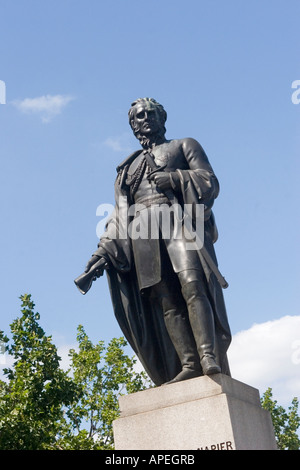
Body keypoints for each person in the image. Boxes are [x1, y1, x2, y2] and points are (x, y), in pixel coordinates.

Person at [83, 98, 231, 386]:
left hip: (177, 220)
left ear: (163, 118)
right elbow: (120, 215)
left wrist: (175, 178)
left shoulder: (184, 145)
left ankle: (207, 356)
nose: (146, 118)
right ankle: (188, 363)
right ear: (133, 125)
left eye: (152, 113)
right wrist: (102, 252)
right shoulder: (128, 167)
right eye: (139, 116)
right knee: (165, 298)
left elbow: (209, 182)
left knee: (192, 283)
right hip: (143, 230)